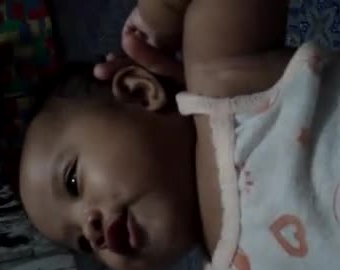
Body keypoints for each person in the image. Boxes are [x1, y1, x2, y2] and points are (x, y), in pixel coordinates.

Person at [19, 0, 340, 269]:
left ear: (138, 91)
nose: (91, 233)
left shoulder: (222, 81)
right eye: (82, 245)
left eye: (72, 181)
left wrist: (159, 15)